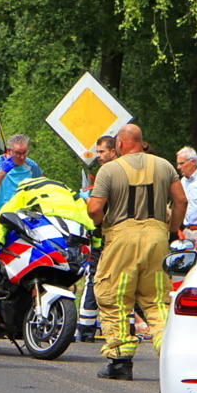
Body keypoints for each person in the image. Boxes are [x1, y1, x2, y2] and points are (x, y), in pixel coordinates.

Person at [88, 124, 187, 380]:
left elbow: (94, 209)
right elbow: (181, 201)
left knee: (115, 297)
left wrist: (100, 223)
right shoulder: (164, 165)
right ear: (141, 142)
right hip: (157, 238)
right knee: (156, 300)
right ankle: (170, 357)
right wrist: (172, 227)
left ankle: (120, 362)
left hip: (122, 239)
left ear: (119, 144)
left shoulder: (109, 169)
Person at [77, 135, 118, 342]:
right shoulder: (125, 171)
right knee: (120, 282)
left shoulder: (107, 172)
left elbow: (95, 209)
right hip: (120, 237)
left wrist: (91, 208)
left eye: (102, 151)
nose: (98, 156)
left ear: (113, 151)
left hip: (102, 236)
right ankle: (123, 328)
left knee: (93, 280)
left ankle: (85, 329)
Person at [0, 176, 95, 245]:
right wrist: (96, 242)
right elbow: (85, 212)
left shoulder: (26, 187)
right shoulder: (65, 189)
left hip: (49, 216)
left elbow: (7, 210)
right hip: (74, 222)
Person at [0, 134, 43, 215]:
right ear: (9, 151)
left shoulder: (31, 165)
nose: (22, 157)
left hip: (23, 214)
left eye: (24, 153)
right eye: (17, 153)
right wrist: (2, 172)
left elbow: (43, 187)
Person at [175, 147, 197, 243]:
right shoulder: (183, 181)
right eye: (177, 164)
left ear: (193, 162)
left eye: (181, 163)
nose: (178, 167)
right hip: (186, 231)